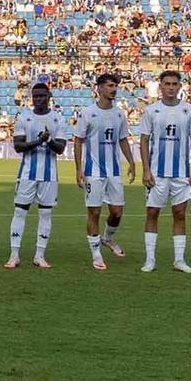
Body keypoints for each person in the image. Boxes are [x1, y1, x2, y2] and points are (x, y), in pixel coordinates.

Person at [138, 70, 191, 273]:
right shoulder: (151, 111)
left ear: (180, 87)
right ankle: (150, 260)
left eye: (175, 84)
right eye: (167, 84)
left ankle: (179, 260)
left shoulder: (189, 110)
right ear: (161, 86)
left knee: (180, 214)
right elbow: (144, 140)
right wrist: (146, 170)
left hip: (181, 173)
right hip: (157, 173)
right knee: (152, 213)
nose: (171, 88)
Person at [72, 72, 133, 271]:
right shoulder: (88, 112)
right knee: (94, 212)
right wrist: (79, 169)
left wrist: (131, 162)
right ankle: (96, 254)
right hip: (93, 170)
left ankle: (107, 238)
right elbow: (78, 140)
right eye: (109, 85)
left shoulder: (119, 114)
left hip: (114, 170)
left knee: (117, 212)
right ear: (99, 88)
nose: (113, 89)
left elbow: (123, 139)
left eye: (115, 86)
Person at [7, 82, 66, 270]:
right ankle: (14, 255)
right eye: (35, 96)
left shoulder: (58, 119)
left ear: (49, 96)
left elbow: (61, 148)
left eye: (42, 96)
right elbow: (18, 146)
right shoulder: (24, 118)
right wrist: (38, 141)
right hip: (27, 174)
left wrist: (48, 140)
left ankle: (39, 255)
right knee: (19, 212)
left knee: (45, 214)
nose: (38, 99)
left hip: (49, 176)